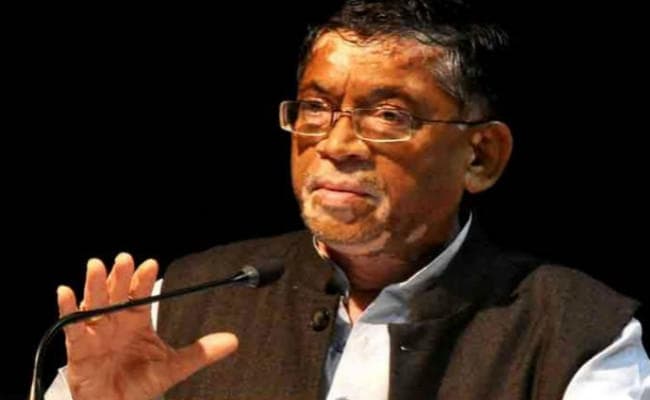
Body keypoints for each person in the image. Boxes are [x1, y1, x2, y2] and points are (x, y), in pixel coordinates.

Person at [46, 1, 649, 399]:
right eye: (315, 108)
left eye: (389, 115)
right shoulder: (174, 306)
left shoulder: (577, 333)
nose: (336, 145)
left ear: (480, 156)